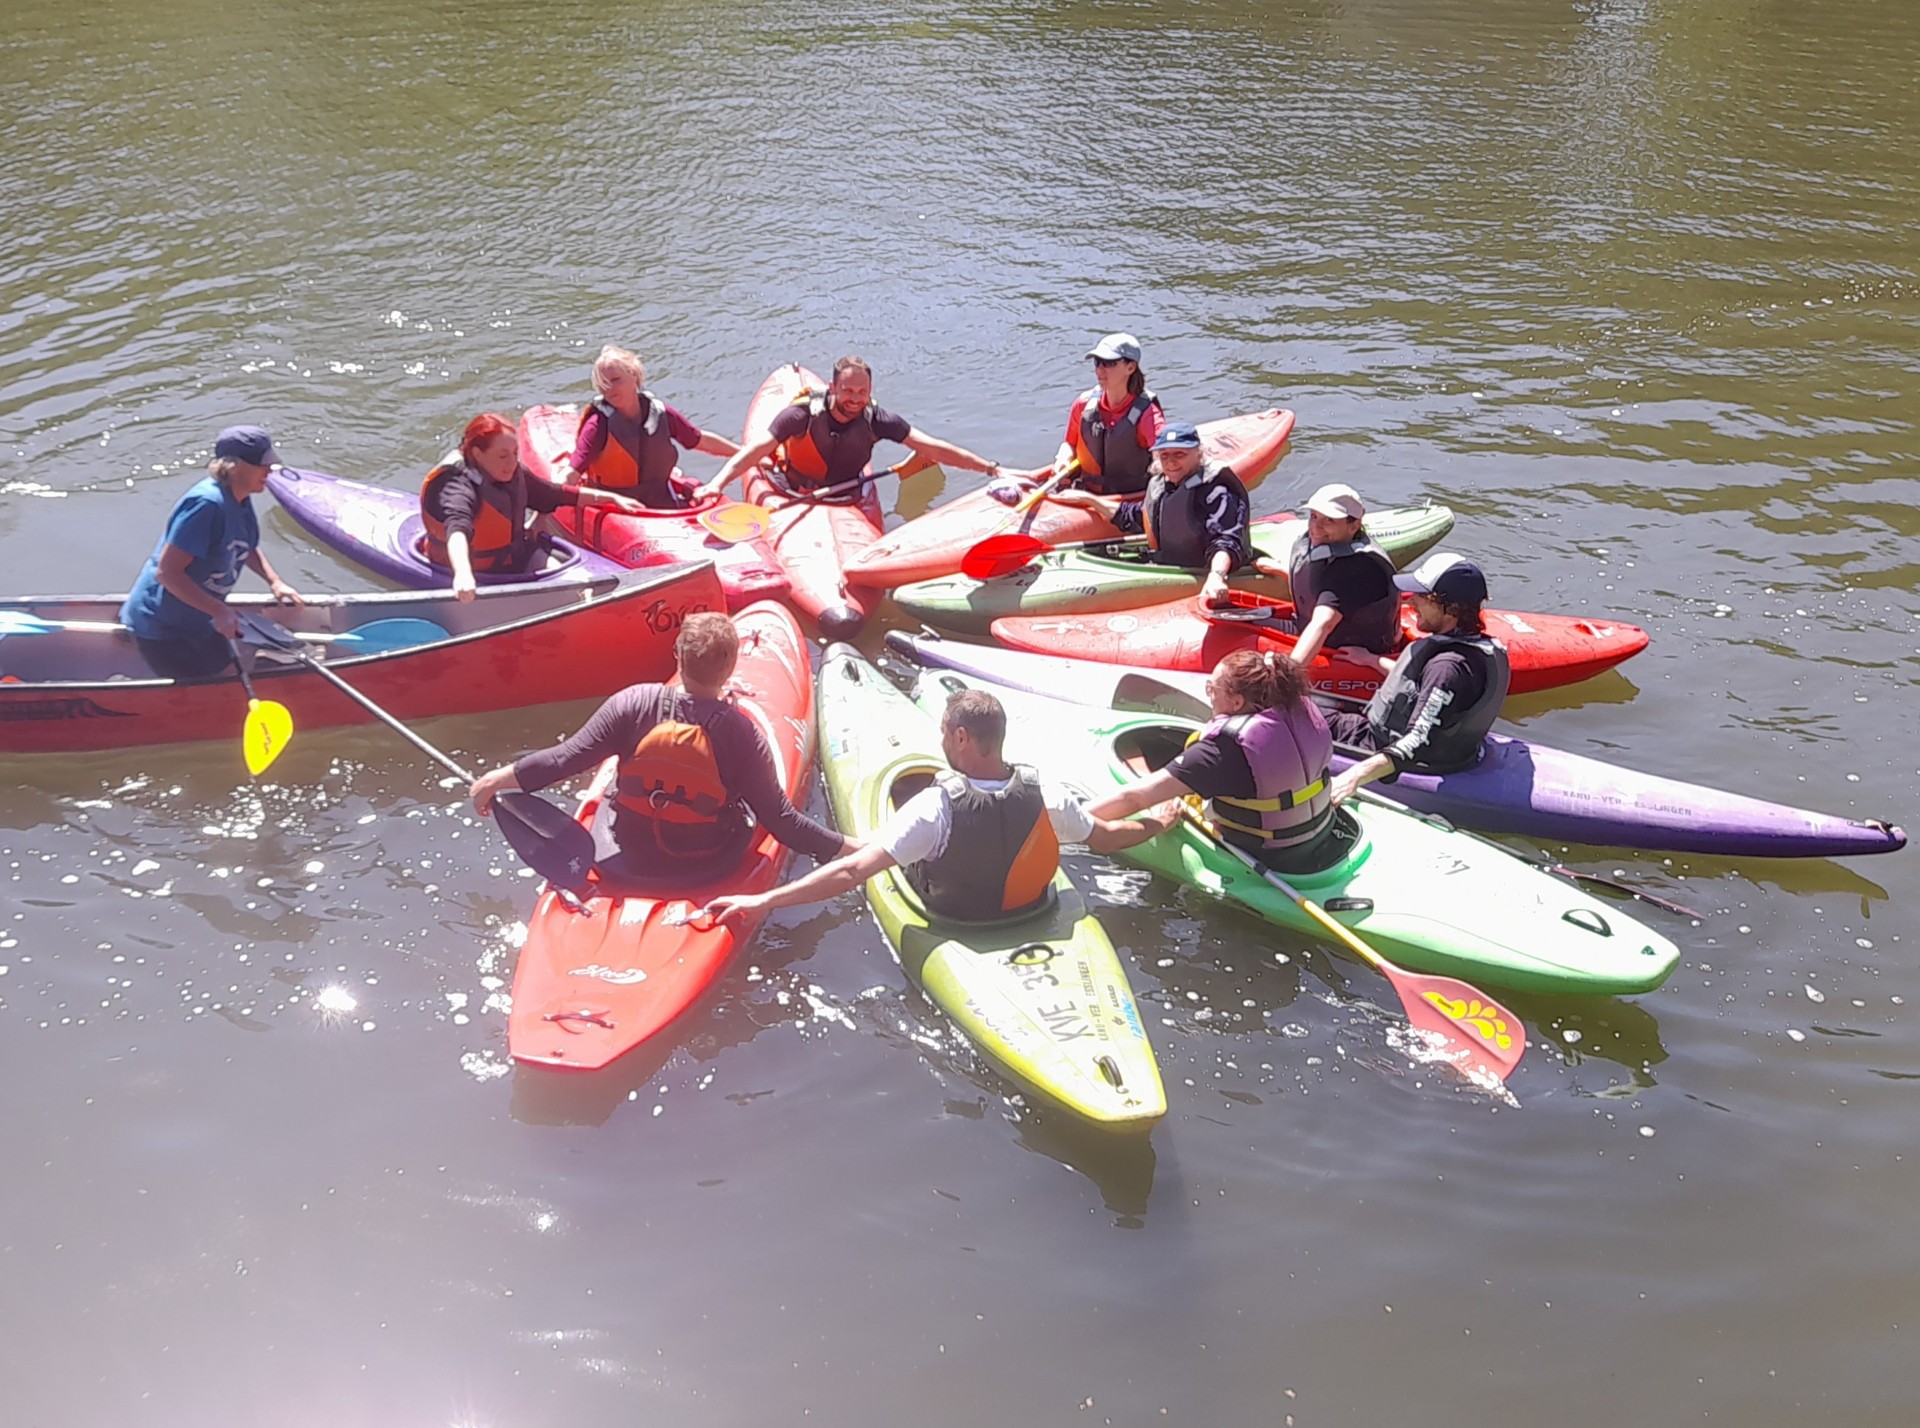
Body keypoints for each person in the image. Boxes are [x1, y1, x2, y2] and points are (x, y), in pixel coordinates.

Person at [698, 687, 1179, 925]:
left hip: (957, 917)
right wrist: (1157, 823)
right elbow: (1109, 837)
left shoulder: (934, 809)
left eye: (946, 732)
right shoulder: (1047, 794)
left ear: (963, 737)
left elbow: (850, 873)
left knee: (898, 847)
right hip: (1027, 911)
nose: (942, 739)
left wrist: (762, 900)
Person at [468, 612, 855, 889]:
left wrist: (498, 779)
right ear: (731, 668)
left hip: (623, 850)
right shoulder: (741, 734)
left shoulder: (632, 704)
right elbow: (782, 820)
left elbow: (563, 760)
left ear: (678, 657)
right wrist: (851, 851)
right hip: (704, 862)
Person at [1085, 648, 1348, 875]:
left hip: (1268, 856)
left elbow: (1136, 799)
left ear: (1236, 701)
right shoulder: (1303, 712)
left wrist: (1079, 817)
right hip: (1320, 833)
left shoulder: (1222, 750)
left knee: (1134, 751)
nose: (1209, 693)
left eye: (1212, 688)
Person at [119, 425, 305, 679]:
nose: (269, 470)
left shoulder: (240, 497)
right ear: (234, 466)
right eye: (261, 465)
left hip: (201, 616)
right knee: (206, 693)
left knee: (230, 675)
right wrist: (219, 611)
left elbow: (245, 546)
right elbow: (167, 573)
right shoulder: (206, 505)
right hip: (162, 625)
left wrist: (275, 582)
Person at [1323, 553, 1511, 804]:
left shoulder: (1448, 667)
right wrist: (1371, 660)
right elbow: (1420, 685)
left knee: (1288, 719)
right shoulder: (1475, 647)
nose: (1411, 603)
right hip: (1450, 750)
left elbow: (1417, 740)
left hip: (1387, 748)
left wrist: (1353, 778)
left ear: (1450, 608)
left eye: (1421, 597)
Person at [697, 356, 1005, 501]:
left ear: (870, 390)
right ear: (832, 387)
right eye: (847, 391)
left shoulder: (877, 419)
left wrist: (992, 469)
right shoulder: (800, 415)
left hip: (846, 494)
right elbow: (755, 451)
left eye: (861, 392)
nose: (855, 399)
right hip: (792, 489)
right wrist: (717, 484)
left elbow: (932, 447)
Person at [421, 412, 646, 600]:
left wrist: (608, 498)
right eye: (502, 456)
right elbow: (457, 529)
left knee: (577, 587)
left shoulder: (513, 473)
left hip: (515, 558)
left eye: (514, 454)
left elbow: (553, 494)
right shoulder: (456, 486)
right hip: (475, 572)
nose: (511, 463)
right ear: (477, 454)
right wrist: (462, 574)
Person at [1049, 422, 1252, 604]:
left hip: (1200, 571)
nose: (1171, 462)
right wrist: (1089, 500)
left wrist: (1217, 576)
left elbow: (1226, 539)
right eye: (1165, 455)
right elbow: (1139, 517)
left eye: (1180, 454)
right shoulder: (1162, 485)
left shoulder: (1217, 491)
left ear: (1198, 454)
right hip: (1167, 566)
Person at [546, 345, 740, 510]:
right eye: (603, 383)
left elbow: (700, 440)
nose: (609, 389)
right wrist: (547, 504)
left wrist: (746, 454)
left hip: (660, 499)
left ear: (633, 375)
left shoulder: (660, 413)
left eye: (615, 380)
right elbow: (572, 473)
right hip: (614, 506)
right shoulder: (597, 425)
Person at [1273, 482, 1402, 669]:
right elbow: (1318, 584)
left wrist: (1289, 674)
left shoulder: (1356, 569)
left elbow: (1323, 623)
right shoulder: (1332, 548)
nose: (1316, 527)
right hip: (1314, 628)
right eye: (1314, 516)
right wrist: (1279, 570)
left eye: (1329, 520)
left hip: (1350, 652)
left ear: (1354, 525)